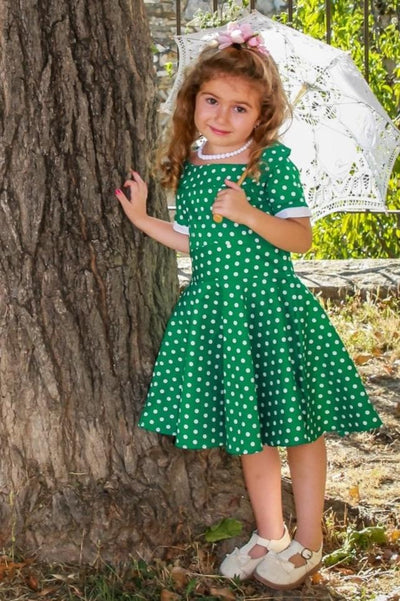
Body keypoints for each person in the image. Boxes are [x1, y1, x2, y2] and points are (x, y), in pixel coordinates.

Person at [115, 21, 382, 591]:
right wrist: (143, 219)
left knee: (301, 428)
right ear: (193, 101)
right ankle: (271, 533)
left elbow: (299, 238)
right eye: (212, 100)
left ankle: (308, 541)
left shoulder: (270, 163)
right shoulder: (189, 164)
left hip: (271, 310)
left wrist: (248, 212)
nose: (221, 115)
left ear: (261, 117)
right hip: (218, 315)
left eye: (240, 108)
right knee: (251, 430)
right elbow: (196, 240)